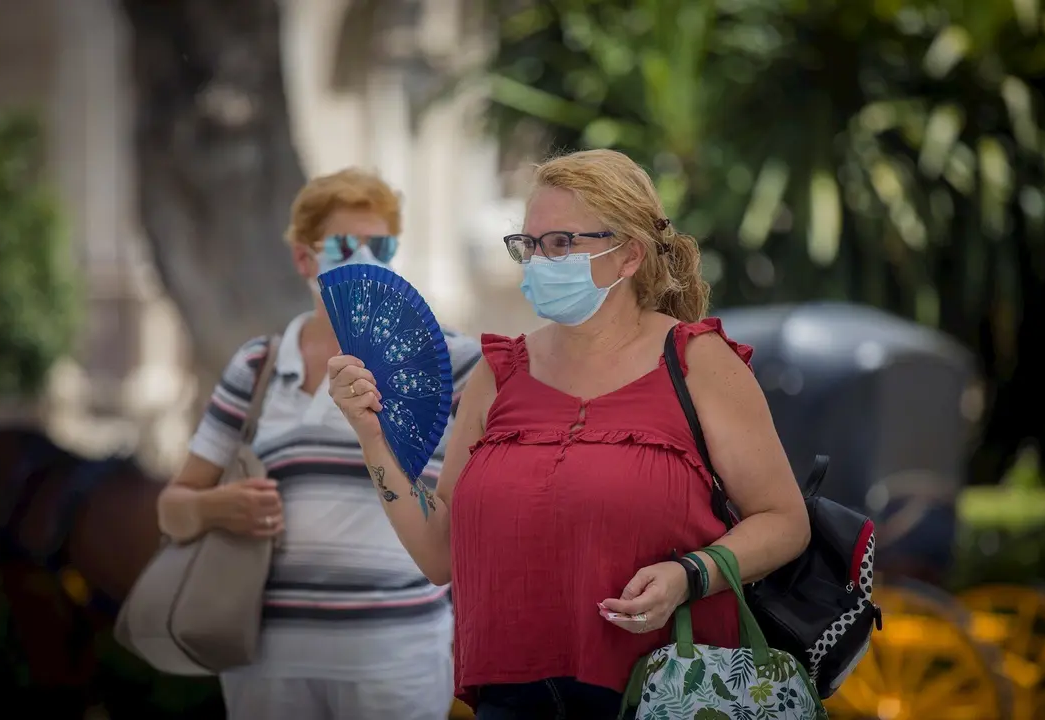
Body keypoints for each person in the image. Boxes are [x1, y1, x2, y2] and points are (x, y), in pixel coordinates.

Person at [328, 149, 811, 719]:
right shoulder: (499, 371)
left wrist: (689, 576)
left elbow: (784, 522)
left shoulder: (698, 361)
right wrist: (371, 438)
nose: (538, 261)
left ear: (629, 254)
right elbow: (440, 555)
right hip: (512, 697)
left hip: (669, 690)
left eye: (560, 243)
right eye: (528, 245)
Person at [156, 168, 480, 720]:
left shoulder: (453, 363)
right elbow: (172, 509)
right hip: (266, 660)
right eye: (343, 244)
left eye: (379, 243)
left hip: (400, 656)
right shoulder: (257, 365)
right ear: (304, 260)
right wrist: (216, 507)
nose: (363, 257)